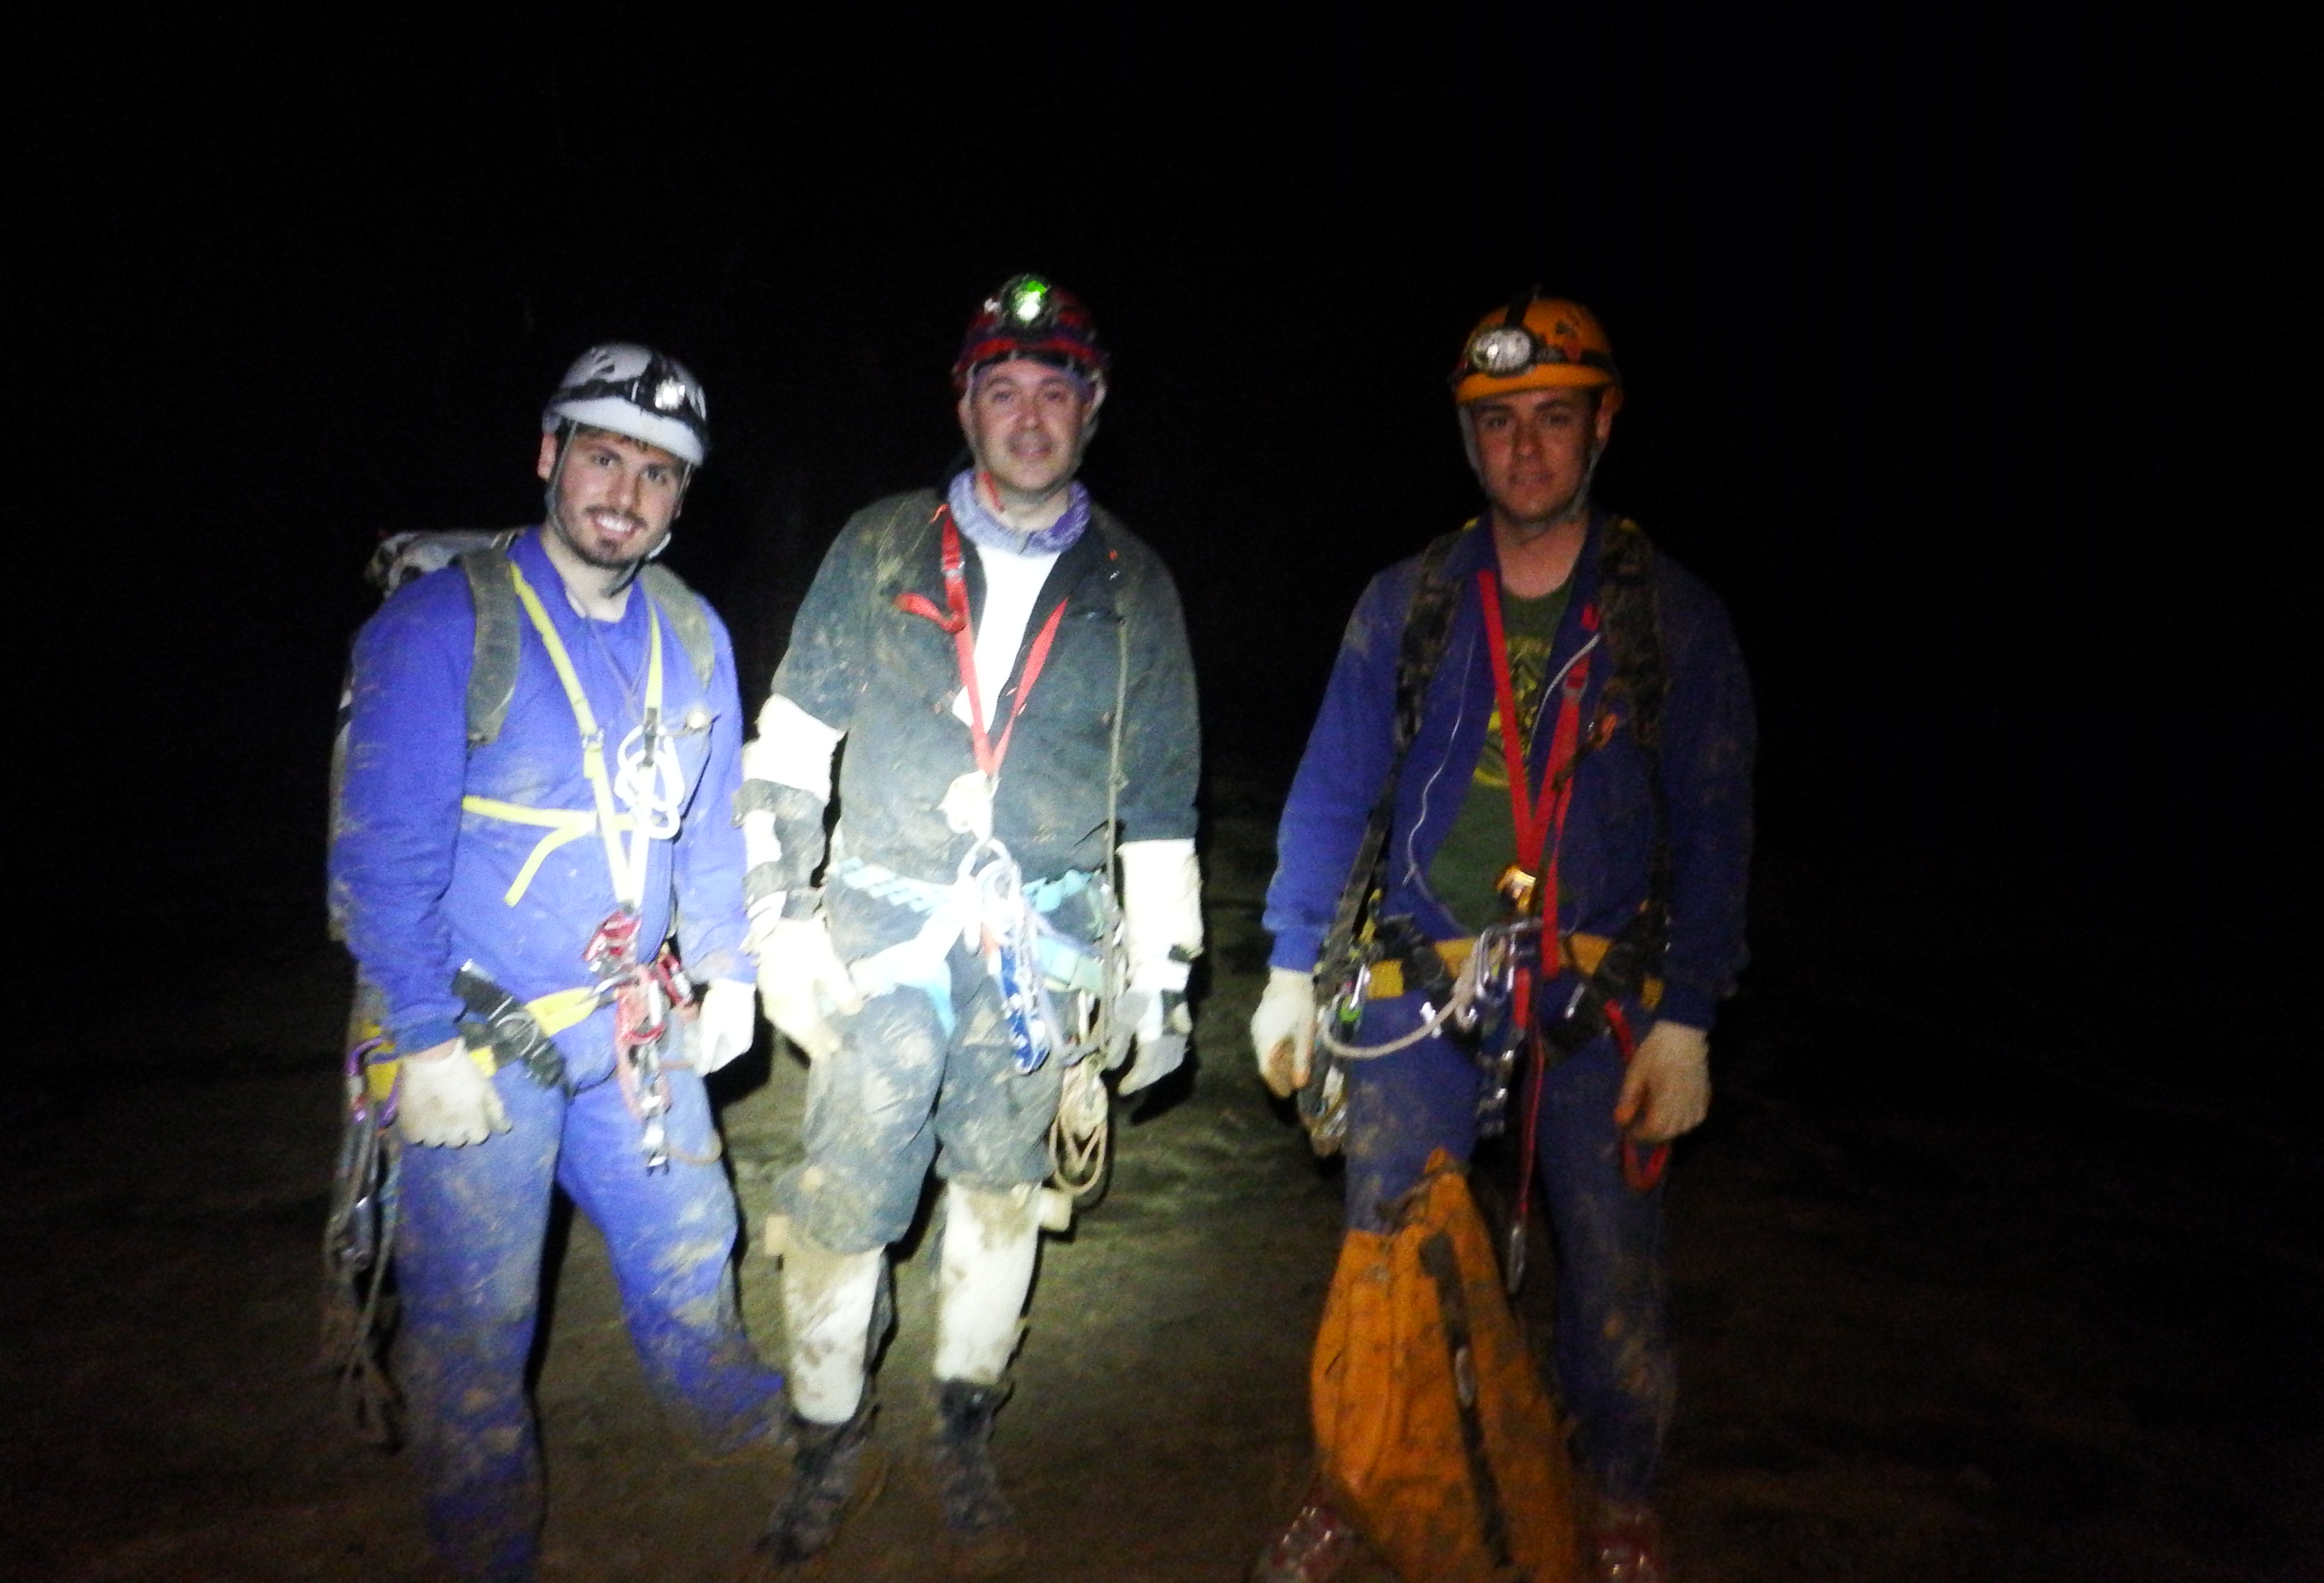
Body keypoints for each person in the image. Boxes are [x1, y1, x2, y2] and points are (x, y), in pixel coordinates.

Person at [1252, 296, 1755, 1583]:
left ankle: (1617, 1494)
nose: (1524, 449)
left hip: (1600, 983)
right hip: (1423, 969)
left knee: (1611, 1266)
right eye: (1497, 424)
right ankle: (1357, 1473)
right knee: (1386, 1247)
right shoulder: (1410, 601)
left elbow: (1715, 822)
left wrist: (1689, 1020)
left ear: (1603, 425)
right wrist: (1291, 969)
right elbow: (1332, 788)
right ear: (1467, 439)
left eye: (1552, 419)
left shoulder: (1669, 617)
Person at [737, 275, 1203, 1574]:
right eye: (1004, 390)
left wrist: (1162, 977)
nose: (1030, 416)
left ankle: (963, 1420)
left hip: (1043, 948)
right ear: (965, 405)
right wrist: (778, 922)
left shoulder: (1135, 586)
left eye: (1056, 391)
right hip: (882, 924)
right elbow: (793, 738)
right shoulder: (882, 544)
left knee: (1002, 1177)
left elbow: (1161, 798)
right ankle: (827, 1436)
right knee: (851, 1174)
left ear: (1093, 409)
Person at [329, 345, 784, 1583]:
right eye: (603, 456)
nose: (626, 493)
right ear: (549, 454)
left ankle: (732, 1418)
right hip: (480, 1035)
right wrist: (418, 1037)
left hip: (633, 1022)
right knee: (477, 1316)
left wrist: (731, 964)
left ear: (682, 497)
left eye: (659, 472)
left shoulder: (690, 630)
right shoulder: (442, 627)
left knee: (695, 1234)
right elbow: (380, 859)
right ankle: (484, 1541)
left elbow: (709, 821)